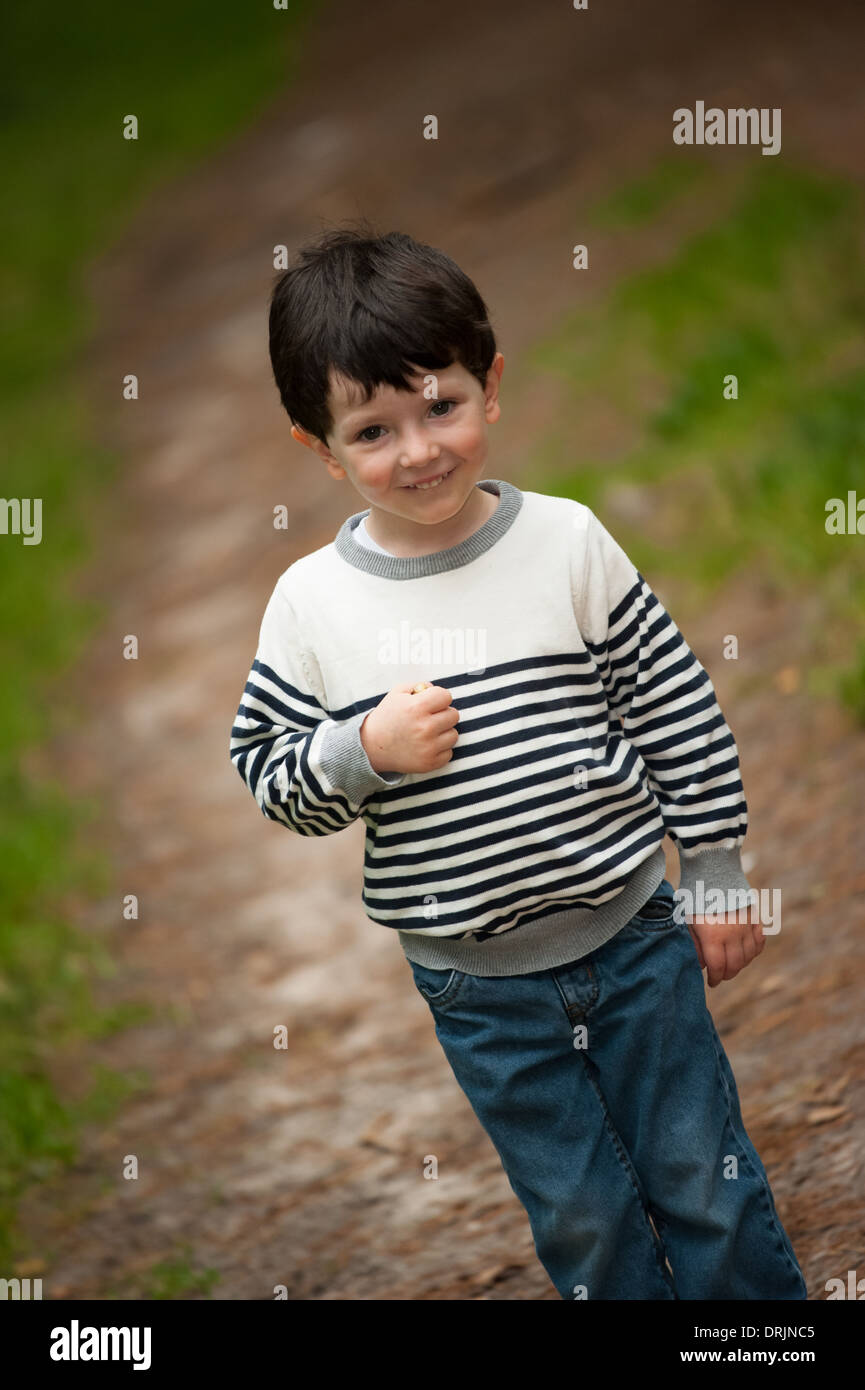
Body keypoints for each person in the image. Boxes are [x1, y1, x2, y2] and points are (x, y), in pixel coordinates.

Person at [229, 222, 807, 1300]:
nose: (417, 451)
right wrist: (360, 751)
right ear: (316, 445)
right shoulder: (312, 604)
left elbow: (672, 701)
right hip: (476, 984)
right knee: (582, 1214)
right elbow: (267, 773)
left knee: (700, 1174)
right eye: (372, 430)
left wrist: (717, 868)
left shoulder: (568, 544)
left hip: (633, 939)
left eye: (438, 405)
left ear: (488, 384)